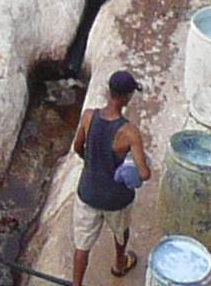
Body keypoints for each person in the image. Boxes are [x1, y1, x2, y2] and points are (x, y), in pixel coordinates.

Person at [70, 70, 149, 284]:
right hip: (116, 199)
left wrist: (92, 163)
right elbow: (144, 173)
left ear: (109, 91)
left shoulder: (88, 117)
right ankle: (119, 264)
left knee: (82, 245)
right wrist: (131, 169)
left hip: (87, 193)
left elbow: (77, 146)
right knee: (120, 232)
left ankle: (76, 284)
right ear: (126, 97)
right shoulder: (129, 132)